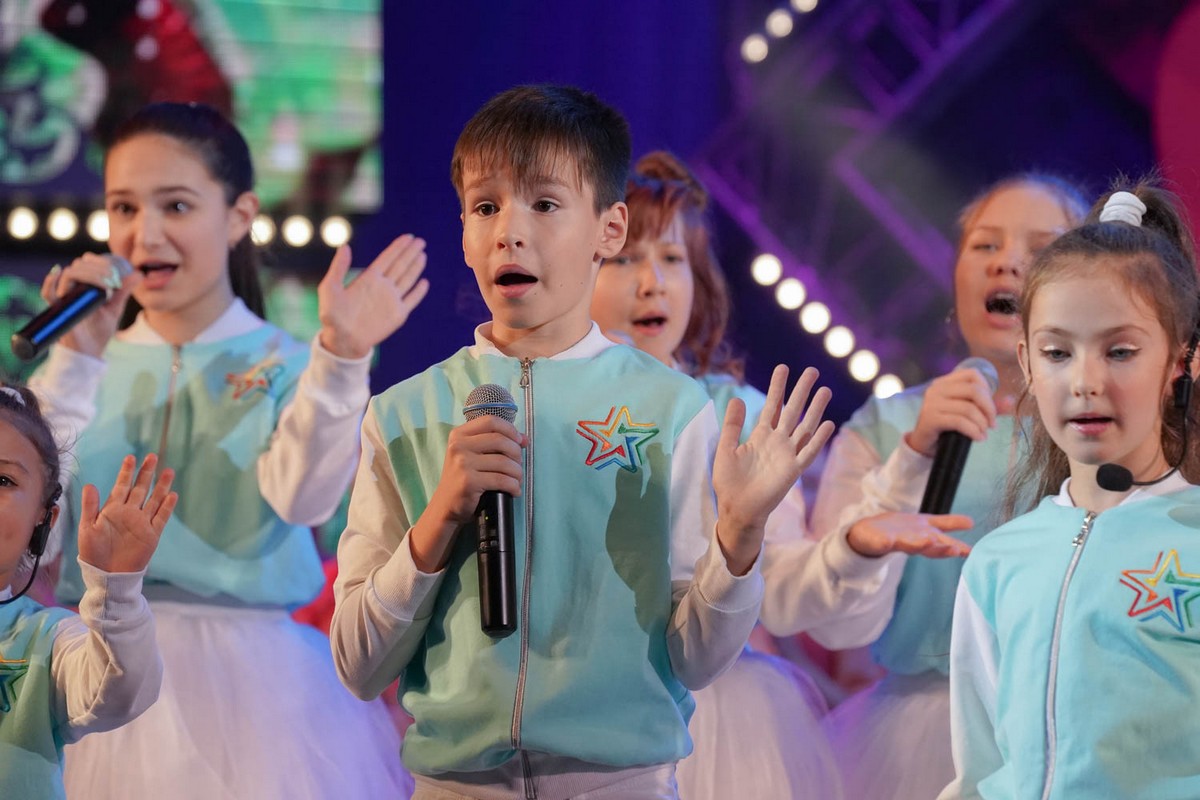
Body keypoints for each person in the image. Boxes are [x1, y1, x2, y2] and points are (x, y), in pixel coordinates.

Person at [330, 84, 834, 800]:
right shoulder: (403, 415)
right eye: (485, 207)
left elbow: (697, 659)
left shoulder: (672, 410)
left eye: (544, 203)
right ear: (464, 232)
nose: (509, 232)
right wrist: (438, 521)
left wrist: (741, 537)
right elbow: (357, 666)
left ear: (609, 228)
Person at [28, 101, 424, 799]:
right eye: (124, 208)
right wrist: (76, 363)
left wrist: (340, 358)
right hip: (96, 667)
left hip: (257, 688)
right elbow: (36, 533)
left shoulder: (291, 361)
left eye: (176, 206)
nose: (145, 233)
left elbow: (304, 499)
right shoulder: (82, 361)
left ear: (239, 216)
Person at [590, 150, 977, 800]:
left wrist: (853, 547)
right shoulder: (545, 407)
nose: (652, 282)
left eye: (673, 258)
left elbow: (780, 586)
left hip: (718, 724)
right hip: (581, 706)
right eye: (624, 260)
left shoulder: (737, 415)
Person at [810, 174, 1088, 800]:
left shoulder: (1111, 429)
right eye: (985, 245)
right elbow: (828, 607)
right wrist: (912, 456)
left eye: (1040, 247)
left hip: (1071, 727)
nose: (1007, 262)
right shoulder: (886, 428)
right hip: (917, 738)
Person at [939, 181, 1200, 799]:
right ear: (1027, 362)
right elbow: (977, 770)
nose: (1085, 381)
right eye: (1058, 352)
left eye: (1120, 351)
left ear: (1179, 362)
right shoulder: (997, 561)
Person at [0, 384, 176, 800]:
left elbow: (120, 688)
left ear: (44, 518)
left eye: (2, 479)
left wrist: (117, 589)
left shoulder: (47, 640)